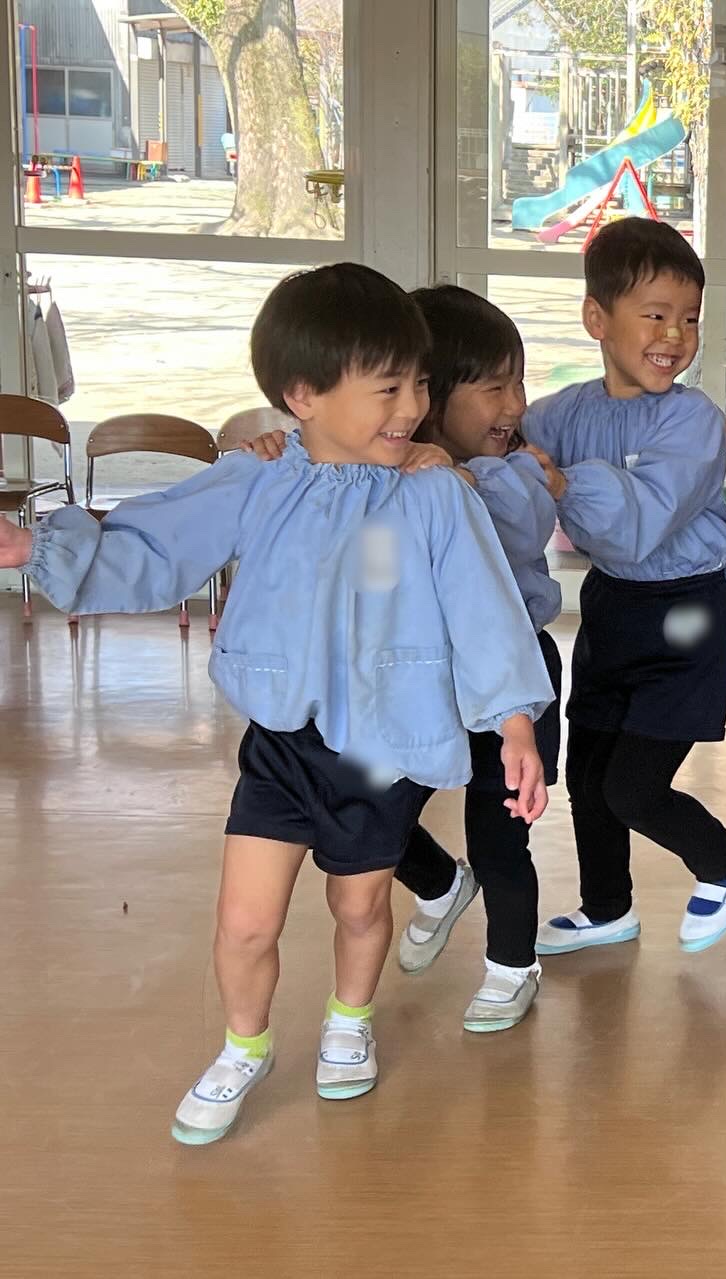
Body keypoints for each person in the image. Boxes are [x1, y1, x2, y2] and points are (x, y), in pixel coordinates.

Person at [0, 263, 554, 1143]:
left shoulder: (435, 492)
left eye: (417, 383)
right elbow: (157, 541)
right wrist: (34, 547)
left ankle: (348, 1021)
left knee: (359, 907)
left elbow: (482, 609)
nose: (412, 406)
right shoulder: (256, 479)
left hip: (383, 748)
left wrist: (515, 721)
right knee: (244, 921)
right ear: (303, 395)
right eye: (387, 389)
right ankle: (244, 1046)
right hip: (282, 744)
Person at [243, 284, 561, 1033]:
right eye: (495, 387)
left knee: (499, 829)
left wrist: (449, 477)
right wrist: (288, 454)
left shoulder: (511, 472)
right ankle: (442, 883)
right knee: (371, 803)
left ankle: (512, 964)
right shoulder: (381, 481)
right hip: (417, 679)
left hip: (510, 677)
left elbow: (518, 523)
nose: (516, 404)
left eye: (518, 383)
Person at [522, 218, 726, 955]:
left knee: (634, 787)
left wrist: (561, 482)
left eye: (689, 318)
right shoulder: (562, 413)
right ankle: (606, 908)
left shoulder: (692, 419)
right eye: (655, 315)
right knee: (588, 772)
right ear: (597, 318)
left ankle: (723, 859)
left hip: (687, 614)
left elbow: (638, 525)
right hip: (614, 605)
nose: (675, 335)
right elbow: (500, 448)